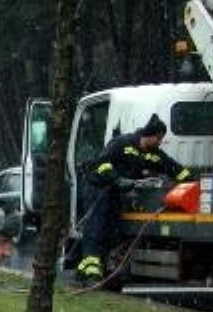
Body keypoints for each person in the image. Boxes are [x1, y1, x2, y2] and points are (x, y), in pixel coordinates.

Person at [74, 113, 193, 286]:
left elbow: (174, 168)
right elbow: (100, 164)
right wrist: (117, 180)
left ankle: (86, 269)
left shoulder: (154, 155)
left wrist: (191, 180)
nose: (160, 142)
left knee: (111, 231)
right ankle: (90, 273)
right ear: (150, 135)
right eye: (159, 138)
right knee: (95, 228)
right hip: (98, 189)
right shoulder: (122, 143)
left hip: (116, 194)